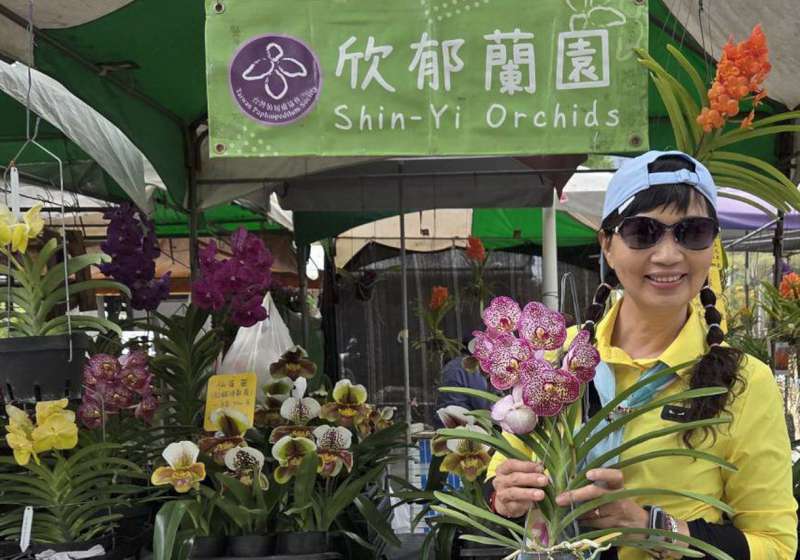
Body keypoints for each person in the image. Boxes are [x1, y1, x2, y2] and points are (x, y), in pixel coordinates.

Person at [486, 151, 797, 559]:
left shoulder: (741, 383)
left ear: (712, 245)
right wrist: (505, 494)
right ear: (607, 246)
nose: (668, 255)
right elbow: (500, 482)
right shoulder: (555, 358)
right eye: (642, 231)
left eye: (693, 232)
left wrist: (657, 530)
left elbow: (775, 545)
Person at [433, 334, 495, 429]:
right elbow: (480, 403)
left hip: (445, 421)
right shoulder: (470, 366)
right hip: (463, 424)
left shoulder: (453, 364)